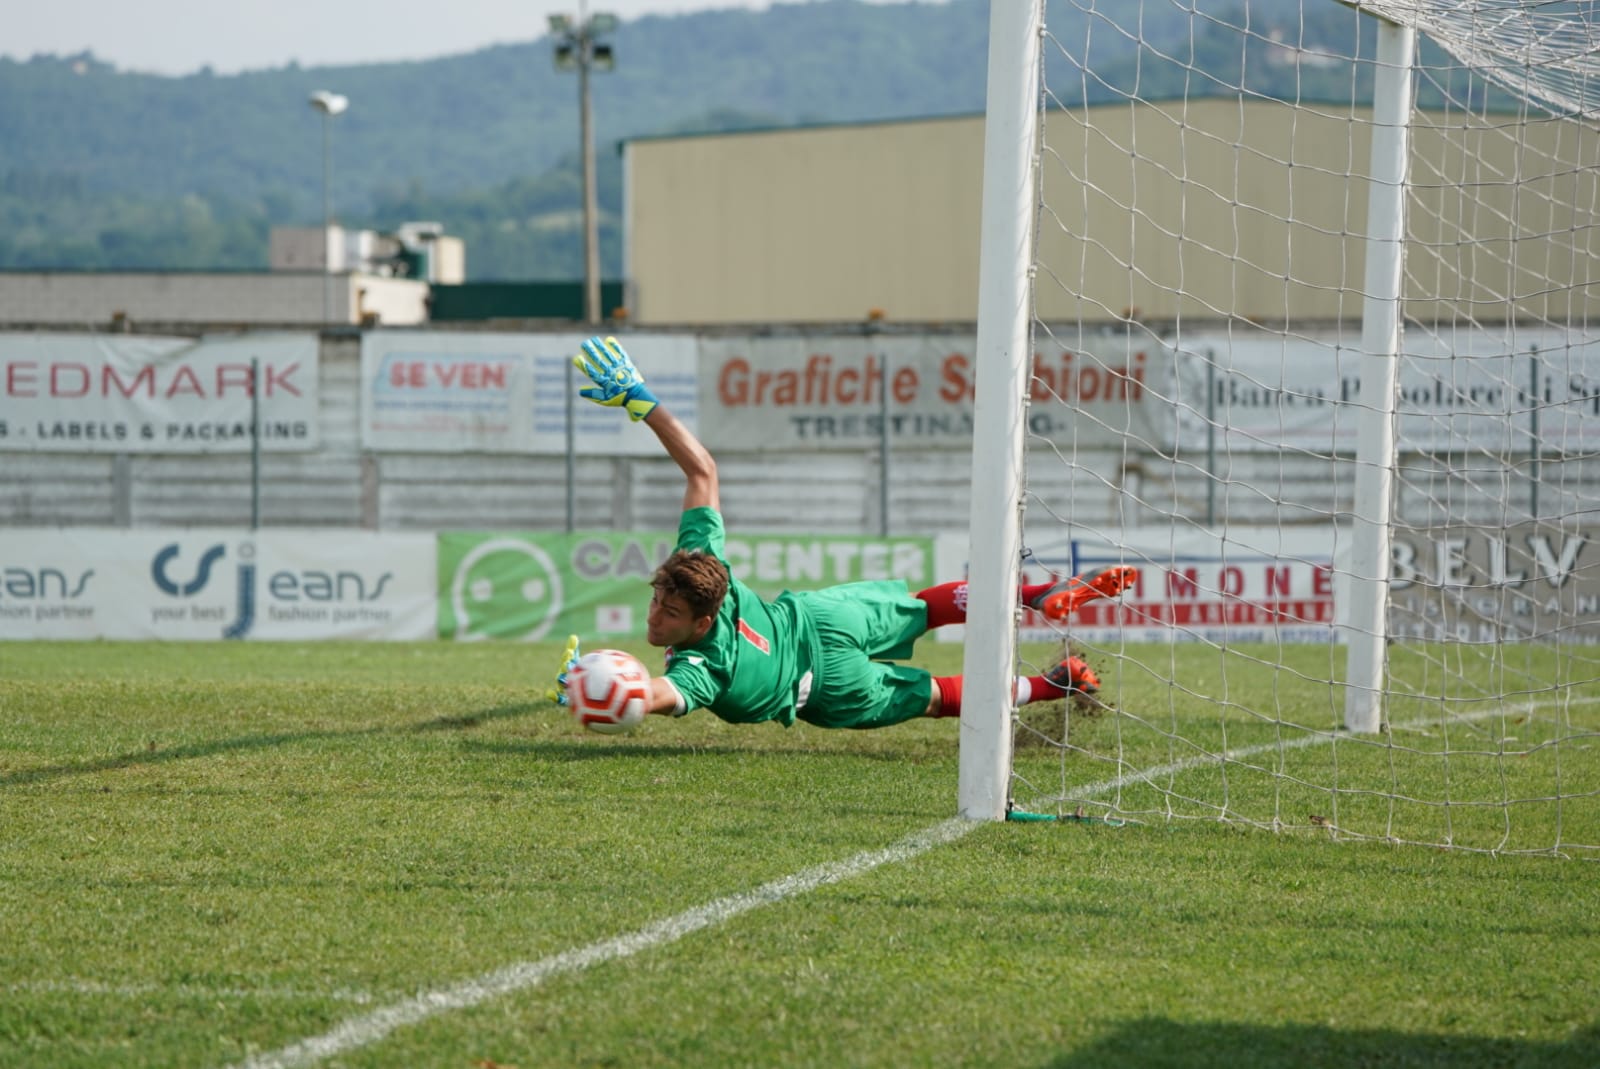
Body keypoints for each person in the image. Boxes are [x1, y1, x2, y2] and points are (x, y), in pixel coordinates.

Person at [549, 335, 1137, 729]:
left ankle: (1056, 684)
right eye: (657, 600)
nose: (655, 615)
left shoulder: (705, 667)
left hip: (828, 685)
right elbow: (702, 469)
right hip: (822, 617)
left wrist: (600, 689)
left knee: (936, 696)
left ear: (703, 624)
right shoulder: (701, 567)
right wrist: (641, 400)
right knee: (924, 607)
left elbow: (654, 695)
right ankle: (1035, 595)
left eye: (669, 613)